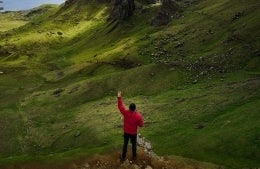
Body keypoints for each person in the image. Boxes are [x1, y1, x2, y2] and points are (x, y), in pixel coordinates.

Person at [117, 91, 143, 162]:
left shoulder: (125, 112)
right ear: (135, 108)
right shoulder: (138, 116)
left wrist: (119, 97)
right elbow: (141, 125)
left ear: (129, 108)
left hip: (126, 132)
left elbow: (120, 106)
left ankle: (123, 157)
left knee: (125, 144)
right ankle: (134, 157)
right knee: (134, 145)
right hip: (133, 133)